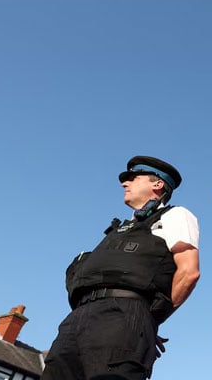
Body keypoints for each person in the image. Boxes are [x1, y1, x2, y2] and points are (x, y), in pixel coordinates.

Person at [42, 156, 200, 380]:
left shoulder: (175, 215)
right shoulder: (119, 230)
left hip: (123, 313)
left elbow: (189, 271)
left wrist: (151, 319)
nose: (124, 183)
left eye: (133, 178)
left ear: (158, 184)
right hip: (77, 317)